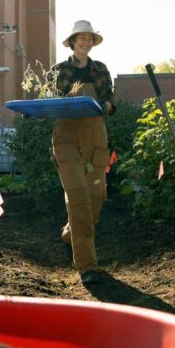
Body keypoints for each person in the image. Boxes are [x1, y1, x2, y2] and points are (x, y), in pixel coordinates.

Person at [49, 20, 115, 285]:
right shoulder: (59, 70)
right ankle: (87, 267)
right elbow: (51, 100)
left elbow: (110, 99)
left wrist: (106, 106)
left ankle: (71, 233)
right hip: (66, 137)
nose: (86, 42)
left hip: (96, 135)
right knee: (78, 197)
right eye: (81, 38)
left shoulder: (101, 69)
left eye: (90, 38)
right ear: (73, 42)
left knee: (95, 199)